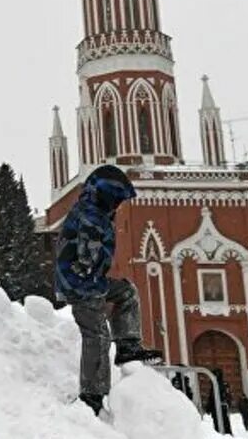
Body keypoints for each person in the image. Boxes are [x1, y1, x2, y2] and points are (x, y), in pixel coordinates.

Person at [54, 164, 163, 416]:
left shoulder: (98, 213)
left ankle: (127, 345)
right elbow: (86, 254)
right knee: (97, 334)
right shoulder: (90, 214)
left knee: (126, 292)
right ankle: (91, 394)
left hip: (92, 281)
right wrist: (88, 280)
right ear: (106, 194)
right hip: (80, 284)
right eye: (117, 199)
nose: (118, 205)